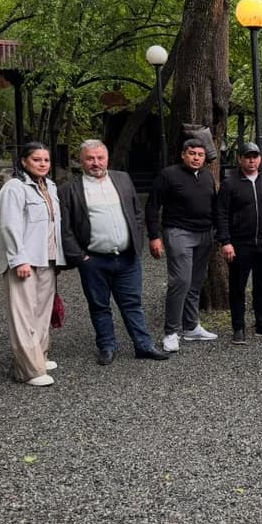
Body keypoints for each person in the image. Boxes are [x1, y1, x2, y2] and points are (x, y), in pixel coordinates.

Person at [61, 140, 169, 365]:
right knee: (99, 305)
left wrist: (136, 242)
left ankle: (144, 345)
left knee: (132, 303)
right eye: (90, 158)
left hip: (127, 257)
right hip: (94, 260)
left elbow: (136, 213)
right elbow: (65, 228)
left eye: (100, 158)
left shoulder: (122, 179)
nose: (95, 163)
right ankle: (107, 346)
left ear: (107, 158)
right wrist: (80, 258)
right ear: (81, 160)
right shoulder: (70, 189)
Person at [0, 142, 66, 387]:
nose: (43, 164)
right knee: (23, 313)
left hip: (47, 257)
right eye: (37, 160)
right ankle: (29, 370)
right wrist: (18, 259)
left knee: (41, 311)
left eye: (46, 160)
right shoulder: (14, 188)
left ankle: (38, 356)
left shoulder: (51, 187)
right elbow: (9, 226)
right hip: (25, 260)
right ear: (24, 161)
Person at [145, 138, 218, 353]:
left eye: (200, 155)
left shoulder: (206, 176)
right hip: (178, 231)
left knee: (196, 282)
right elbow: (152, 205)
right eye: (192, 153)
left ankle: (191, 326)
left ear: (205, 158)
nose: (196, 158)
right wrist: (154, 236)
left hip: (204, 233)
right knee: (181, 280)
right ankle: (171, 331)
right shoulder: (169, 175)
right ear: (183, 155)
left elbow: (214, 204)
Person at [215, 141, 262, 343]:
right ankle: (238, 328)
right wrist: (225, 241)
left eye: (255, 156)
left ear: (260, 159)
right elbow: (221, 214)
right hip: (239, 244)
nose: (251, 160)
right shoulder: (230, 184)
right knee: (238, 286)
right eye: (247, 156)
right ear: (240, 159)